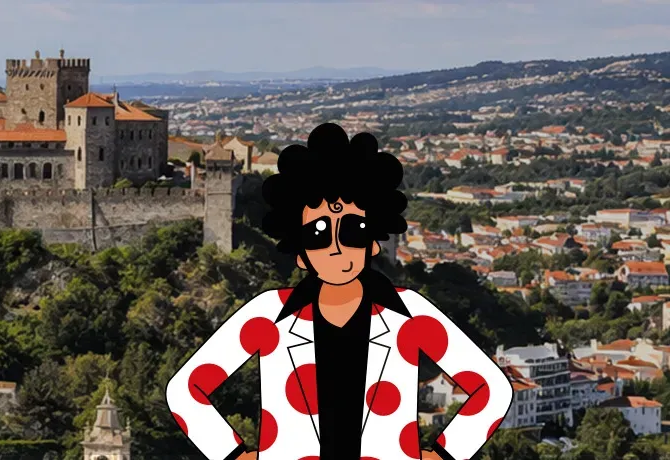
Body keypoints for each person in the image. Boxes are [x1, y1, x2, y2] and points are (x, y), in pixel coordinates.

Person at [165, 123, 511, 460]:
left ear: (373, 242)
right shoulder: (268, 315)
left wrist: (444, 455)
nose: (336, 247)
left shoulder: (410, 314)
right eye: (317, 234)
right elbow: (185, 391)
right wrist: (235, 455)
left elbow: (492, 390)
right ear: (300, 251)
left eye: (354, 231)